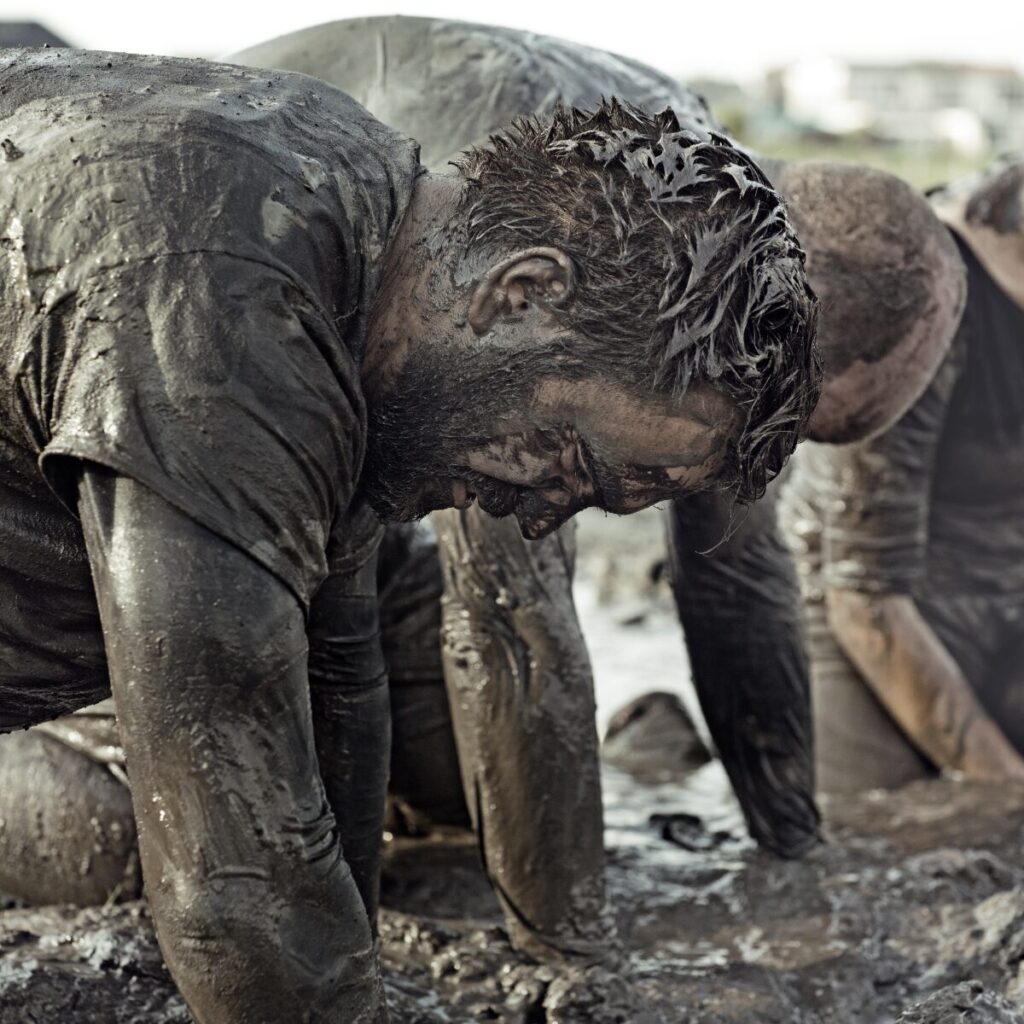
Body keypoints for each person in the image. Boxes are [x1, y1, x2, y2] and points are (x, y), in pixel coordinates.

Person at [0, 45, 819, 1023]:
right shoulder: (228, 291)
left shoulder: (379, 249)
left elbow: (337, 687)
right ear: (519, 293)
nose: (551, 512)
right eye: (572, 460)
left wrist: (363, 966)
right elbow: (239, 883)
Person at [778, 156, 1024, 793]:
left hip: (1006, 590)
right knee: (875, 830)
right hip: (864, 602)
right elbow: (863, 595)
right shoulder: (919, 293)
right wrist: (1002, 787)